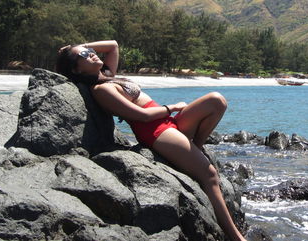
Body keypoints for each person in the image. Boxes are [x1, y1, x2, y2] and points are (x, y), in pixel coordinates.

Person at [56, 40, 246, 241]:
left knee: (217, 101)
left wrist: (77, 46)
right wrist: (170, 107)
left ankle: (195, 148)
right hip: (156, 131)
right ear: (76, 69)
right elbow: (141, 116)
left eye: (91, 51)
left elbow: (113, 45)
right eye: (84, 56)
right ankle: (236, 237)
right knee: (209, 176)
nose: (92, 54)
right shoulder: (101, 90)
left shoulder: (108, 75)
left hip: (168, 122)